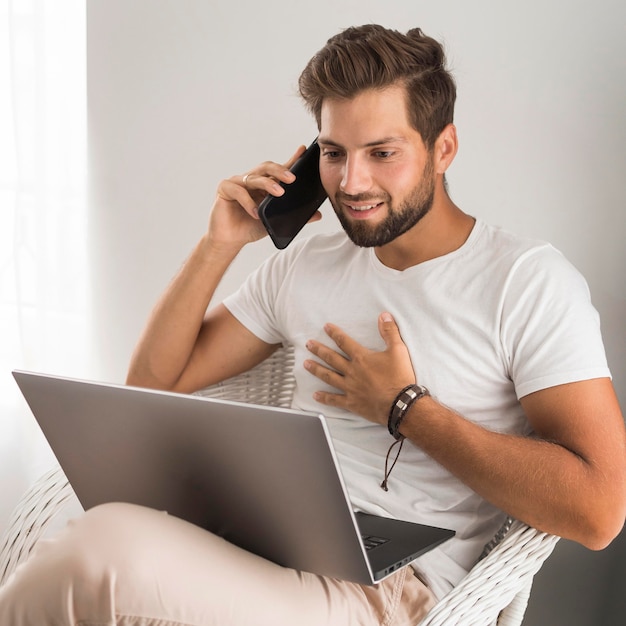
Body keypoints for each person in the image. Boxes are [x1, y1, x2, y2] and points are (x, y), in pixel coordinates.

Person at [1, 24, 625, 626]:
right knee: (94, 533)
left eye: (382, 153)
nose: (352, 183)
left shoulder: (527, 282)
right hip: (269, 541)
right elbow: (155, 382)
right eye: (333, 153)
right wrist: (220, 243)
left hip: (388, 590)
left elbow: (599, 512)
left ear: (444, 149)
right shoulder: (309, 261)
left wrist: (406, 408)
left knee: (97, 558)